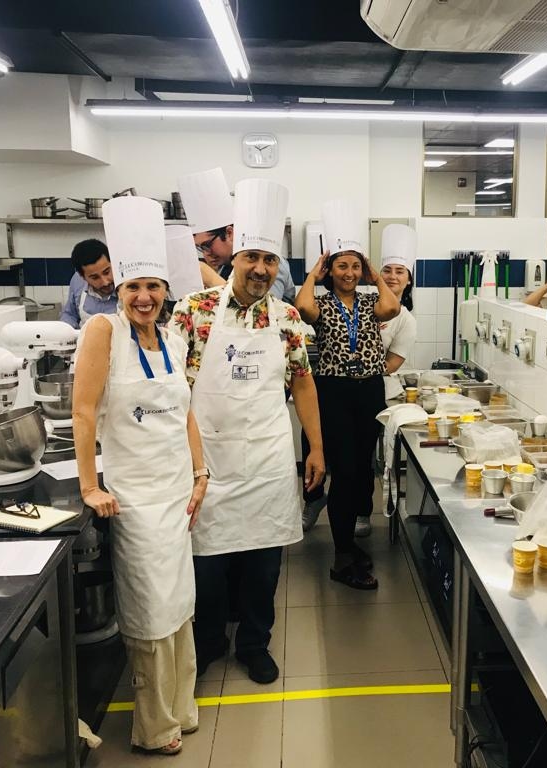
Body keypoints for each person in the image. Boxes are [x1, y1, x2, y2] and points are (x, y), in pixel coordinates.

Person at [168, 179, 324, 685]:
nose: (261, 269)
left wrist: (316, 447)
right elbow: (172, 388)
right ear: (234, 258)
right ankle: (210, 641)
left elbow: (302, 383)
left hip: (267, 458)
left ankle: (255, 643)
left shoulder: (288, 319)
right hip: (208, 460)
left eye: (270, 260)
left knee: (263, 564)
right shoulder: (193, 311)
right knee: (207, 562)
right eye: (252, 257)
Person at [72, 196, 207, 756]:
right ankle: (153, 727)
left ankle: (181, 708)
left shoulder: (173, 338)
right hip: (136, 501)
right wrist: (89, 485)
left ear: (165, 290)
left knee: (180, 606)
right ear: (118, 290)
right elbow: (84, 412)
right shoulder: (102, 331)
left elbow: (186, 412)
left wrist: (201, 473)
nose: (144, 297)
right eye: (133, 287)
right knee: (150, 612)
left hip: (178, 496)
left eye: (153, 286)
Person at [295, 199, 400, 590]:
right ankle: (341, 556)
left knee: (360, 474)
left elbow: (392, 307)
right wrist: (314, 273)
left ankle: (348, 546)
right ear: (331, 270)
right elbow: (301, 307)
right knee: (345, 473)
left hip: (370, 390)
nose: (350, 273)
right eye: (342, 266)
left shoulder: (371, 301)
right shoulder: (322, 303)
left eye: (355, 266)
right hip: (334, 392)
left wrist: (374, 273)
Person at [351, 223, 418, 538]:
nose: (392, 276)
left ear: (409, 279)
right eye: (387, 270)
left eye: (399, 271)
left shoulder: (406, 320)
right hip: (343, 388)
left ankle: (362, 511)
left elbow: (392, 364)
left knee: (363, 455)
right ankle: (319, 502)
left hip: (375, 392)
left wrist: (360, 363)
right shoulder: (362, 301)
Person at [178, 165, 293, 299]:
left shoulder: (269, 263)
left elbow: (262, 308)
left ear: (229, 233)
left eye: (207, 245)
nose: (205, 254)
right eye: (200, 248)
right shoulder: (225, 265)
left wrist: (211, 278)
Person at [60, 239, 117, 329]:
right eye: (95, 277)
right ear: (83, 277)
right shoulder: (77, 281)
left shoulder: (127, 283)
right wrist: (67, 329)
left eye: (107, 272)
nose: (105, 282)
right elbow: (70, 314)